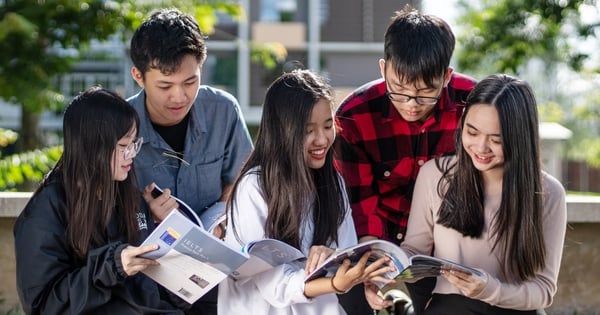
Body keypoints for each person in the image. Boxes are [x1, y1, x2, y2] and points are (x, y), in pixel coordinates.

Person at [366, 74, 567, 314]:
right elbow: (414, 251)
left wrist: (489, 290)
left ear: (520, 138)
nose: (481, 147)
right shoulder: (435, 175)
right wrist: (381, 277)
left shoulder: (547, 192)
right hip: (450, 307)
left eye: (496, 140)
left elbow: (543, 290)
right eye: (472, 132)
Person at [333, 5, 477, 314]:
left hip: (451, 249)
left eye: (426, 93)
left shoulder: (474, 104)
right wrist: (372, 272)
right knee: (361, 305)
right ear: (383, 69)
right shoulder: (354, 116)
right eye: (398, 90)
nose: (412, 105)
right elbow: (361, 205)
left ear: (447, 77)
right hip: (379, 245)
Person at [218, 69, 394, 315]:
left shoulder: (334, 183)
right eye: (308, 130)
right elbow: (272, 284)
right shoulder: (255, 187)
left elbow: (347, 252)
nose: (322, 139)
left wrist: (338, 259)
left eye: (327, 125)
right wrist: (333, 282)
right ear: (283, 131)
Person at [14, 87, 188, 314]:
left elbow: (147, 288)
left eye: (134, 143)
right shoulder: (45, 211)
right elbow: (43, 305)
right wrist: (112, 266)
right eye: (124, 146)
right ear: (92, 147)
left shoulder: (127, 194)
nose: (132, 154)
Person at [127, 9, 253, 314]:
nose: (180, 97)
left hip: (215, 271)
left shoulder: (224, 110)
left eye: (190, 81)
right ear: (138, 76)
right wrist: (143, 213)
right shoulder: (118, 124)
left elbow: (243, 180)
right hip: (146, 277)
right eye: (165, 86)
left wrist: (222, 219)